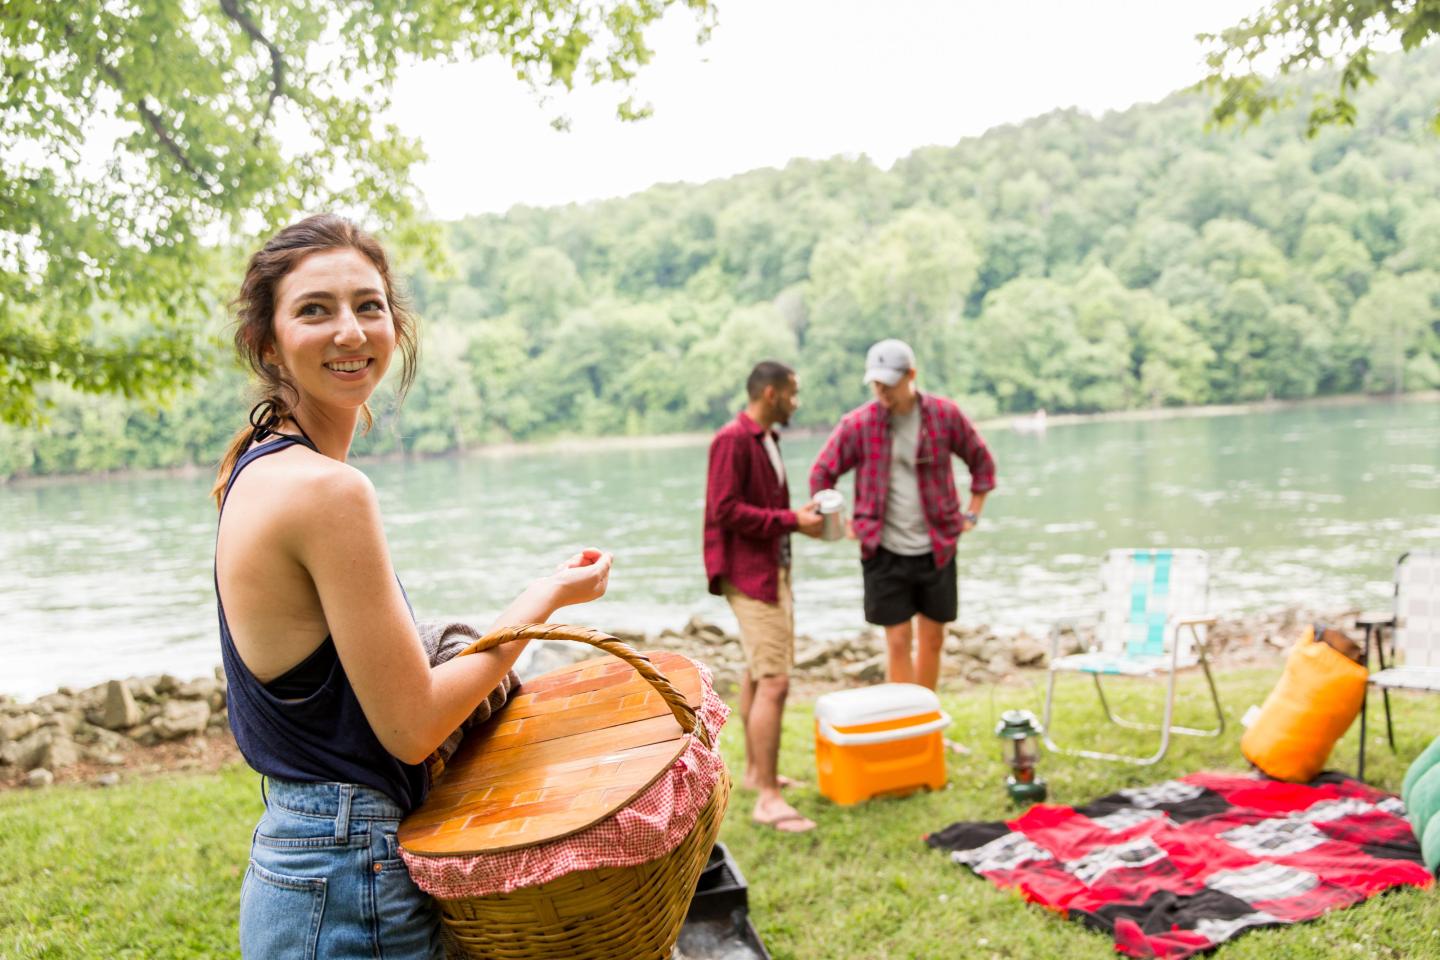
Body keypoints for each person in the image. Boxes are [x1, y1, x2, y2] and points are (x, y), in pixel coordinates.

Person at [211, 214, 613, 958]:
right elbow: (412, 725)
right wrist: (542, 601)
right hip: (346, 865)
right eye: (314, 309)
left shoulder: (257, 467)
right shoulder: (330, 492)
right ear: (267, 344)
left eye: (369, 305)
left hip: (303, 857)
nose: (350, 330)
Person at [809, 339, 995, 691]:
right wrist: (841, 522)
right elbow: (821, 474)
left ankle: (925, 719)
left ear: (911, 375)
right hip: (883, 549)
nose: (882, 393)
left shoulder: (944, 415)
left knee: (934, 639)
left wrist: (972, 514)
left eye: (889, 385)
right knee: (896, 641)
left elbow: (982, 462)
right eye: (876, 385)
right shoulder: (859, 424)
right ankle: (905, 720)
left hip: (937, 545)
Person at [703, 360, 823, 833]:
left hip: (772, 570)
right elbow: (726, 510)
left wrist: (798, 518)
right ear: (771, 393)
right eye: (793, 393)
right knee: (775, 680)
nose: (797, 401)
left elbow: (765, 511)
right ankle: (768, 800)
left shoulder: (765, 440)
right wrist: (792, 520)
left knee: (758, 670)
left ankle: (756, 775)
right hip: (750, 575)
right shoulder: (732, 439)